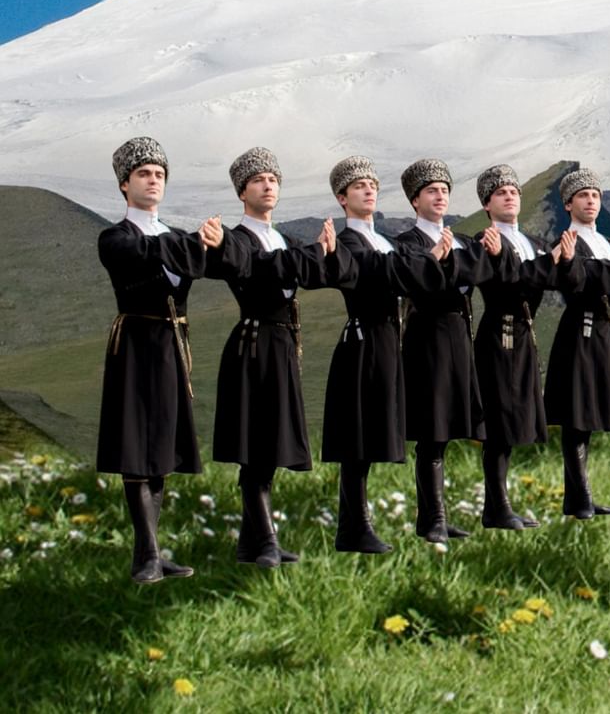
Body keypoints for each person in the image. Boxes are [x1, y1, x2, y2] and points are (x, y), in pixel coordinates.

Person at [97, 137, 226, 583]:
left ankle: (152, 551)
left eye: (159, 175)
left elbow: (209, 263)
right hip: (135, 341)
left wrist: (211, 244)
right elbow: (144, 258)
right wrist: (195, 243)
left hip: (171, 345)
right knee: (137, 443)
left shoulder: (170, 237)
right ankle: (145, 553)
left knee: (161, 445)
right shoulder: (116, 237)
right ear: (124, 185)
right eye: (144, 174)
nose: (153, 181)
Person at [321, 156, 465, 554]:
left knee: (370, 434)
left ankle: (357, 525)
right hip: (364, 340)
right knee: (358, 440)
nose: (368, 191)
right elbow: (381, 271)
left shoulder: (383, 238)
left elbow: (405, 271)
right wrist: (428, 259)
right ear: (342, 197)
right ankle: (353, 527)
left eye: (371, 184)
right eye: (358, 187)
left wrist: (422, 263)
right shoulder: (351, 241)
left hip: (388, 341)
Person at [209, 147, 338, 566]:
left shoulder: (283, 239)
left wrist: (324, 252)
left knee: (270, 443)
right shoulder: (238, 239)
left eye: (274, 180)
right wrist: (313, 253)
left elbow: (314, 274)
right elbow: (261, 267)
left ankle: (252, 544)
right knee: (256, 444)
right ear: (242, 192)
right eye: (259, 180)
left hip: (281, 345)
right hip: (254, 343)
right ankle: (265, 541)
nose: (269, 186)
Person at [390, 158, 483, 543]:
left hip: (459, 337)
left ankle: (438, 516)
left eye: (444, 190)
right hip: (427, 339)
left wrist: (450, 265)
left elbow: (478, 274)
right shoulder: (407, 243)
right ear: (416, 200)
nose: (440, 196)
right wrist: (441, 265)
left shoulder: (461, 239)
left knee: (446, 433)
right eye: (432, 191)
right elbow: (421, 283)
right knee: (432, 430)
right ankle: (431, 520)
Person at [469, 164, 562, 530]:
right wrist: (540, 268)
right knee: (498, 422)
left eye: (514, 191)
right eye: (501, 193)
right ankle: (496, 506)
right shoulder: (484, 238)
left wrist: (546, 266)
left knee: (512, 421)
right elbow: (511, 283)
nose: (510, 196)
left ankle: (500, 504)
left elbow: (547, 279)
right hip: (499, 334)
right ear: (488, 204)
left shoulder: (534, 244)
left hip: (523, 336)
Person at [544, 168, 610, 518]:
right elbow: (579, 282)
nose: (591, 201)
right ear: (569, 203)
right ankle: (579, 496)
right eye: (583, 196)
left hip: (602, 332)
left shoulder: (609, 245)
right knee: (576, 415)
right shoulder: (565, 241)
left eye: (595, 195)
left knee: (589, 414)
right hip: (579, 332)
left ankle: (579, 495)